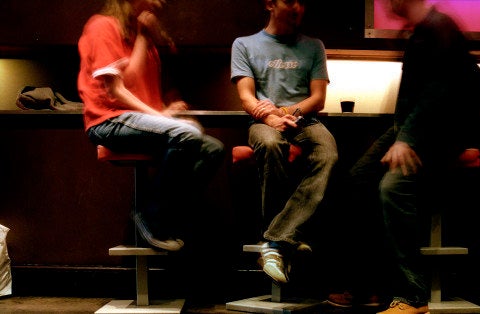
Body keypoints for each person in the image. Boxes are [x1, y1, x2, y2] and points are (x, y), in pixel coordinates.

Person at [328, 0, 480, 313]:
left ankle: (413, 297)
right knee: (358, 178)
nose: (386, 2)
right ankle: (368, 284)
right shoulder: (417, 34)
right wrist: (401, 133)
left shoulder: (439, 27)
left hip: (440, 129)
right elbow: (414, 97)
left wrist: (407, 139)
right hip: (413, 126)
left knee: (392, 188)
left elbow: (441, 89)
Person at [77, 0, 225, 252]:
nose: (162, 2)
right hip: (108, 119)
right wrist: (165, 119)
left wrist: (162, 113)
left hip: (133, 118)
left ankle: (165, 215)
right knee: (187, 133)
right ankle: (149, 216)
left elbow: (138, 92)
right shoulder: (102, 26)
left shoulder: (140, 39)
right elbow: (118, 91)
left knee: (213, 148)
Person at [230, 0, 338, 284]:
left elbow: (318, 98)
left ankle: (276, 240)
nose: (298, 7)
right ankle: (284, 238)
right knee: (270, 144)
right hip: (262, 122)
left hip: (305, 121)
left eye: (302, 1)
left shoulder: (314, 45)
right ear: (269, 4)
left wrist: (286, 112)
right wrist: (271, 118)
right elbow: (246, 97)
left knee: (328, 152)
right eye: (289, 0)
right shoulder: (244, 44)